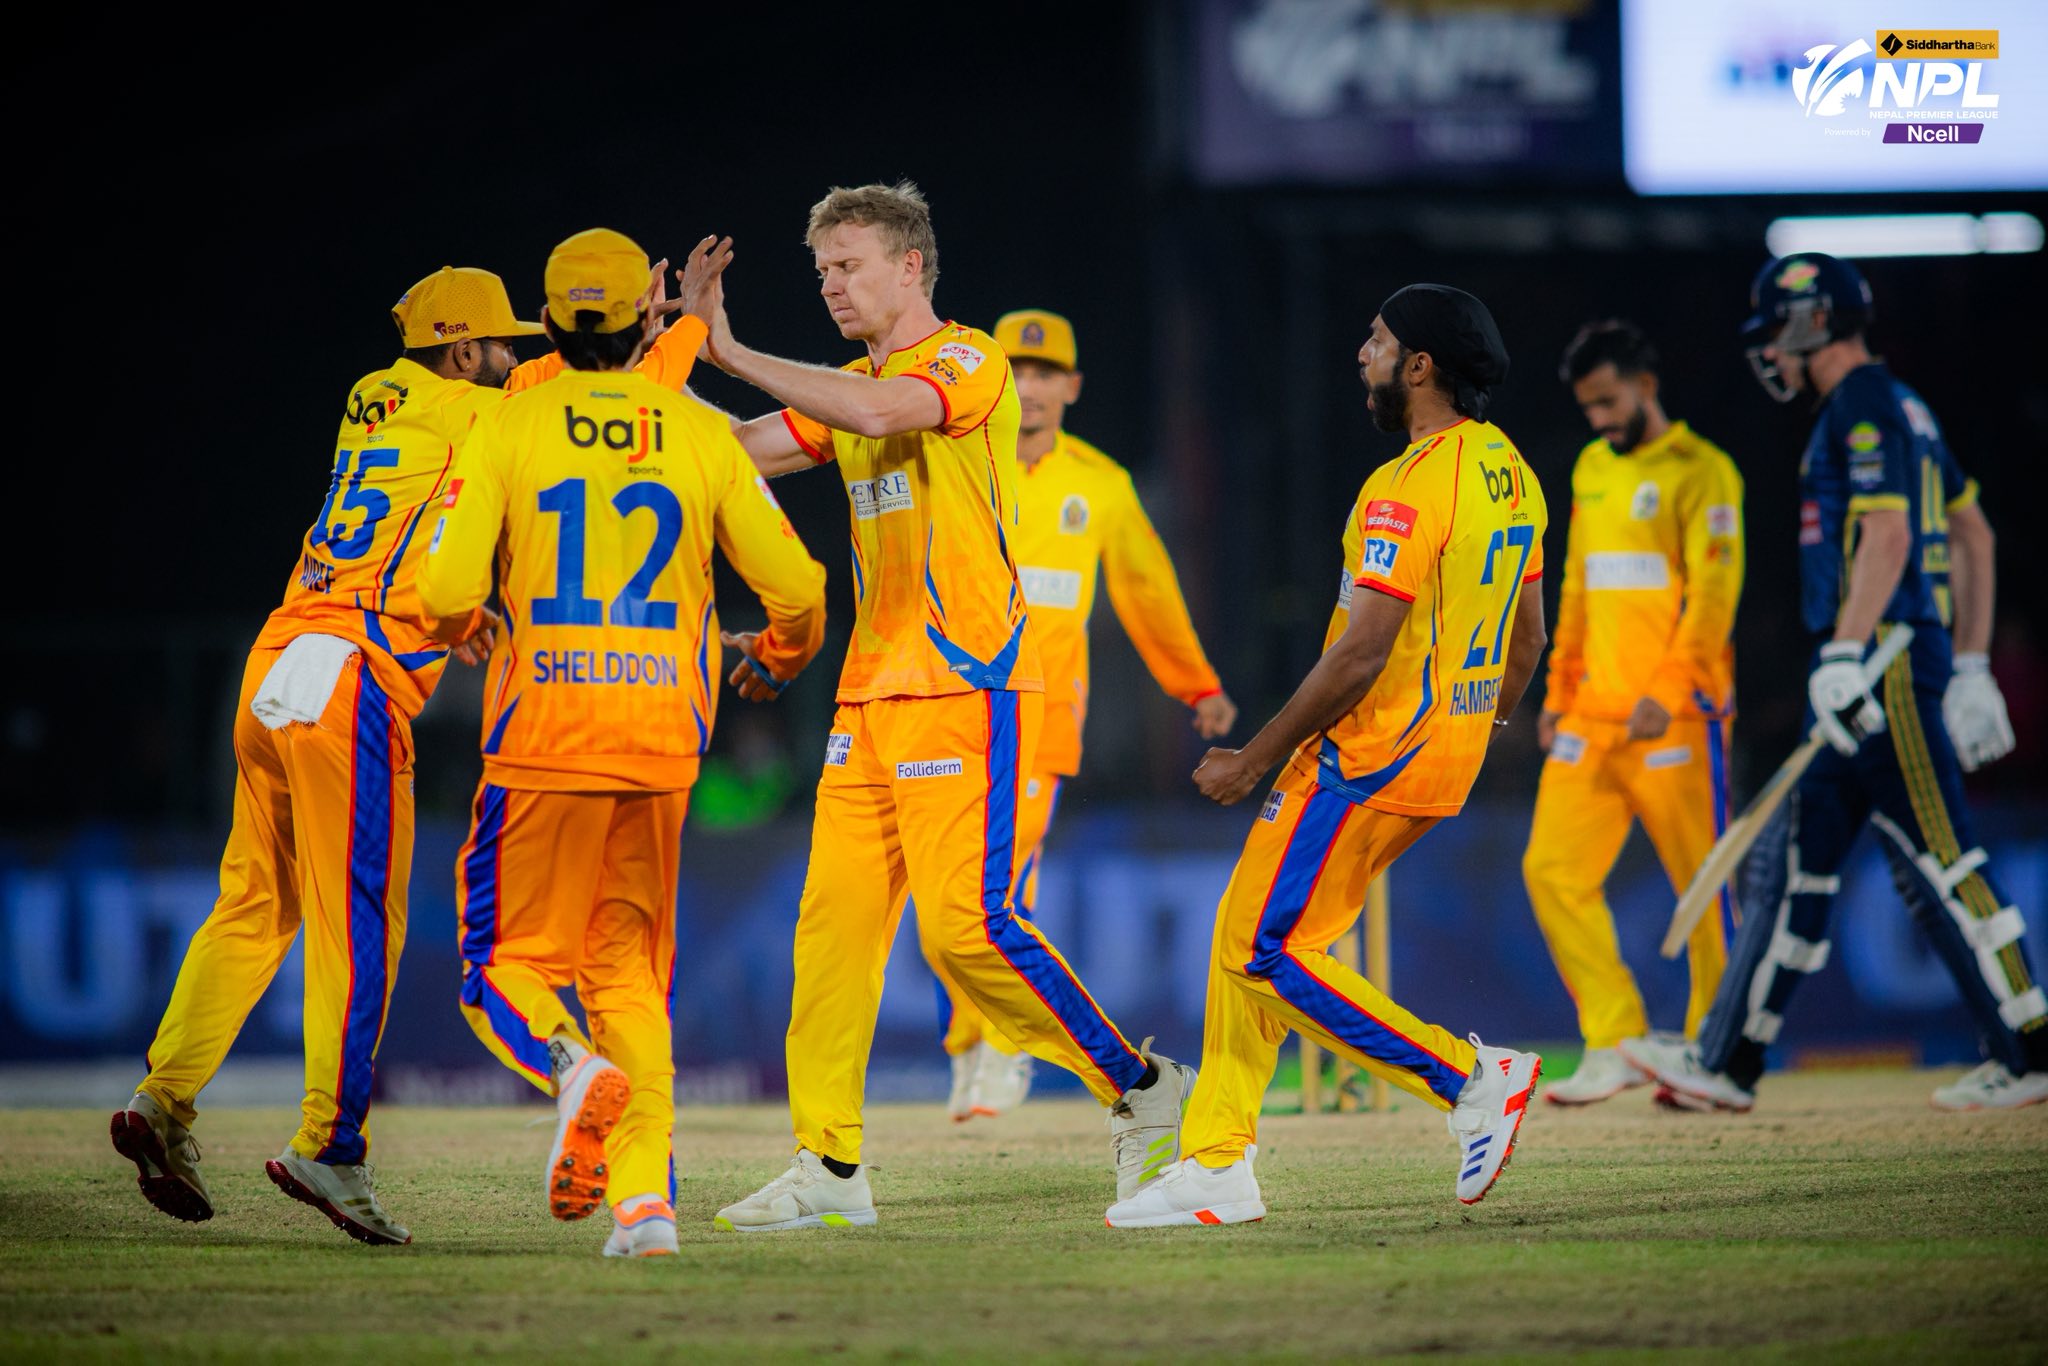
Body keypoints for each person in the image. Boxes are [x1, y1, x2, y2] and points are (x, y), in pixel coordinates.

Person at [702, 181, 1195, 1230]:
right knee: (829, 939)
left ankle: (1143, 1088)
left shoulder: (969, 362)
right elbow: (735, 453)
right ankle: (829, 1169)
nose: (830, 285)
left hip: (967, 684)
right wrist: (630, 385)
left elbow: (882, 413)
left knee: (968, 931)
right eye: (821, 270)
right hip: (866, 699)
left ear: (910, 265)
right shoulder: (847, 388)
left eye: (848, 265)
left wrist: (729, 349)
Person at [418, 228, 829, 1258]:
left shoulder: (510, 420)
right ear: (644, 317)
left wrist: (466, 624)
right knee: (629, 979)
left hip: (544, 739)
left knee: (498, 967)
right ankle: (645, 1207)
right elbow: (799, 590)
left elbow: (442, 588)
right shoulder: (691, 431)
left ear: (550, 322)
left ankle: (569, 1068)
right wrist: (779, 657)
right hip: (658, 745)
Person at [110, 267, 538, 1245]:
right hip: (351, 679)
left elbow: (419, 513)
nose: (513, 357)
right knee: (358, 927)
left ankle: (162, 1098)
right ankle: (329, 1145)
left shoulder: (374, 393)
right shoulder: (479, 409)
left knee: (254, 904)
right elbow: (558, 402)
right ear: (464, 350)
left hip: (279, 659)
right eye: (501, 343)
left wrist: (454, 609)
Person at [1106, 285, 1548, 1227]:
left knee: (1261, 949)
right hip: (1443, 757)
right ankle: (1217, 1164)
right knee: (1249, 932)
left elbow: (1359, 654)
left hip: (1368, 754)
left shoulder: (1405, 489)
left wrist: (1256, 758)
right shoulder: (1511, 470)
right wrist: (1480, 728)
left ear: (1420, 365)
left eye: (1378, 340)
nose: (1362, 352)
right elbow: (1529, 640)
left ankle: (1470, 1080)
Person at [1624, 253, 2044, 1112]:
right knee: (1794, 866)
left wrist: (1852, 653)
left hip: (1881, 665)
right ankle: (1728, 1063)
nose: (1770, 351)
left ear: (1812, 320)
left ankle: (2034, 1053)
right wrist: (1968, 663)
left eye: (1776, 331)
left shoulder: (1859, 405)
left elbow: (1889, 536)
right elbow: (1973, 534)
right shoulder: (1906, 405)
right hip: (1880, 664)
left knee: (1948, 860)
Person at [922, 308, 1237, 1123]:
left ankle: (1002, 1044)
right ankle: (972, 1041)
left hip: (1038, 721)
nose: (1029, 388)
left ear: (1073, 386)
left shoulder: (1100, 484)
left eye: (1045, 374)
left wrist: (1197, 685)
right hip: (943, 711)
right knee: (944, 900)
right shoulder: (958, 459)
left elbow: (1147, 592)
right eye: (1016, 372)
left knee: (994, 888)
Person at [1522, 321, 1745, 1106]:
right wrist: (1559, 696)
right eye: (1588, 407)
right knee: (1551, 871)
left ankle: (1713, 1057)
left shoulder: (1704, 472)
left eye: (1609, 402)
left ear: (1646, 386)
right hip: (1593, 717)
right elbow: (1577, 586)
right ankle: (1614, 1039)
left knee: (1705, 890)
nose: (1599, 420)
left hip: (1675, 720)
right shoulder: (1591, 466)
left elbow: (1713, 597)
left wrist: (1668, 692)